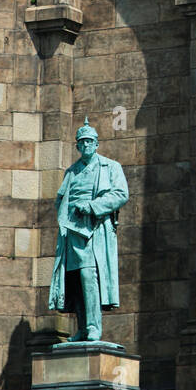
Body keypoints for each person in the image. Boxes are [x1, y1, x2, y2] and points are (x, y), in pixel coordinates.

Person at [48, 119, 129, 342]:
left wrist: (92, 206)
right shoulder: (71, 171)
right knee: (75, 279)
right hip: (72, 232)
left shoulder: (111, 167)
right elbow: (61, 199)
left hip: (95, 231)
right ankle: (83, 329)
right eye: (81, 142)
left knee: (88, 275)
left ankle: (94, 327)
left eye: (89, 141)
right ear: (77, 146)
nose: (85, 145)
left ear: (96, 144)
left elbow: (121, 194)